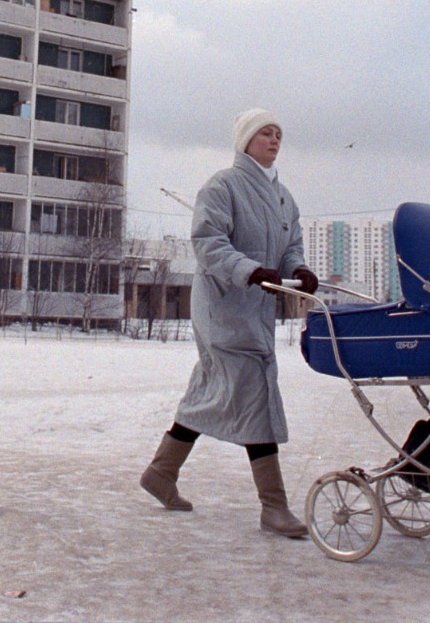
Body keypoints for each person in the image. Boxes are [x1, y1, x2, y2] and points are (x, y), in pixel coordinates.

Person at [138, 109, 320, 538]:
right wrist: (251, 271)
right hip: (222, 309)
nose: (274, 140)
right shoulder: (223, 186)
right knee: (255, 391)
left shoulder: (283, 197)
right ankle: (273, 507)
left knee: (210, 390)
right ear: (245, 141)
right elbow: (207, 242)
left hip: (256, 312)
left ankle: (161, 473)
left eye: (278, 133)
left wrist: (300, 269)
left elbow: (291, 245)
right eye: (265, 134)